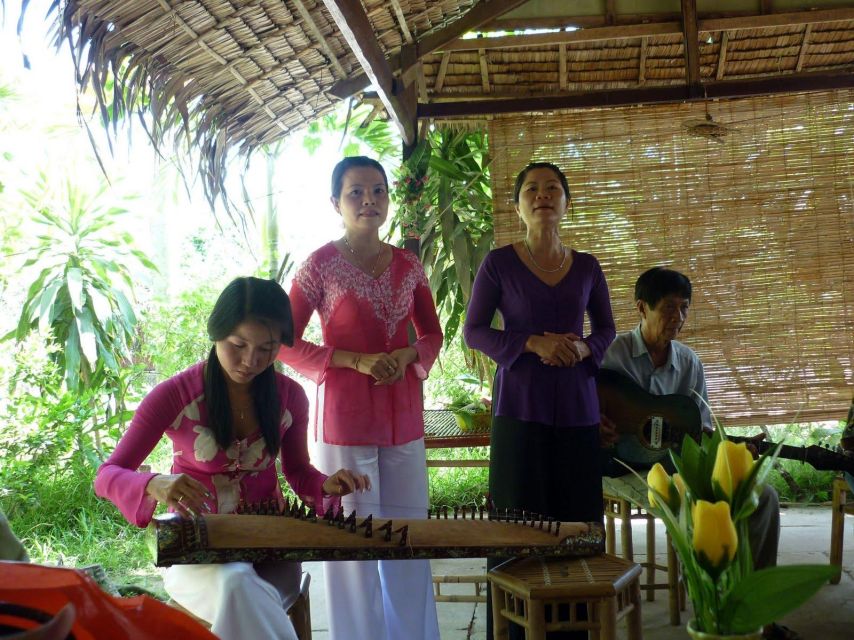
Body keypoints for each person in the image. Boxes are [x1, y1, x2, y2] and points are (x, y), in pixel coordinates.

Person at [94, 277, 369, 640]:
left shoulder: (289, 398)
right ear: (216, 334)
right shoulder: (174, 396)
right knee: (237, 584)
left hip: (270, 549)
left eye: (267, 349)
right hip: (197, 549)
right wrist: (153, 483)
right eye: (237, 344)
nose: (250, 360)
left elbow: (299, 472)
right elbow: (106, 475)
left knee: (243, 591)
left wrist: (326, 485)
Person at [277, 156, 442, 640]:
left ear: (389, 200)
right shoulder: (318, 266)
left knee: (409, 540)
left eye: (378, 191)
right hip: (345, 420)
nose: (369, 200)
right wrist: (355, 360)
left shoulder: (410, 265)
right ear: (335, 203)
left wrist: (407, 351)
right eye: (356, 192)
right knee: (352, 546)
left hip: (404, 417)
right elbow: (284, 341)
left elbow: (433, 334)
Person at [599, 266, 797, 640]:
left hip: (678, 464)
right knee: (691, 508)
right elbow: (579, 407)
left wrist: (731, 448)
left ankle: (759, 611)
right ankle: (712, 609)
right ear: (642, 307)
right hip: (625, 467)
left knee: (763, 497)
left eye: (685, 308)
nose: (679, 318)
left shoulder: (688, 363)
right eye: (669, 308)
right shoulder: (611, 356)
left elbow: (701, 431)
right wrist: (594, 425)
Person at [463, 161, 616, 639]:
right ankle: (511, 632)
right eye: (532, 189)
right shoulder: (499, 263)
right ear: (517, 205)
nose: (543, 195)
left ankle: (574, 631)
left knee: (576, 523)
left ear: (567, 203)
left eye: (553, 188)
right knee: (516, 524)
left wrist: (584, 348)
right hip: (519, 410)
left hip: (577, 409)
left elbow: (607, 329)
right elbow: (474, 330)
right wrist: (532, 343)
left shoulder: (588, 266)